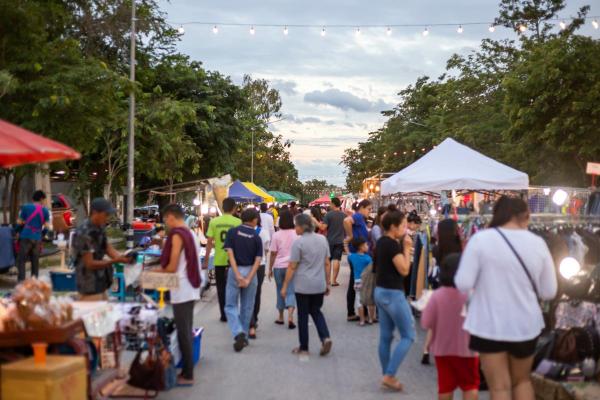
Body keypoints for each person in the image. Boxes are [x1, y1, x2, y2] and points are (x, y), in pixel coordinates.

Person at [455, 196, 557, 400]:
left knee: (500, 387)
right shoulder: (538, 243)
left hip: (488, 323)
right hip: (526, 324)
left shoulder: (481, 240)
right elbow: (549, 292)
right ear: (525, 216)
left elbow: (463, 283)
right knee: (523, 381)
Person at [422, 253, 479, 400]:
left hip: (442, 350)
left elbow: (426, 322)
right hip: (468, 349)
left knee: (445, 387)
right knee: (470, 386)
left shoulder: (436, 296)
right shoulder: (471, 295)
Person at [157, 204, 202, 387]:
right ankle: (186, 369)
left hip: (182, 289)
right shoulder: (190, 233)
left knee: (183, 332)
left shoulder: (177, 235)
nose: (165, 223)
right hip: (190, 287)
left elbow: (172, 267)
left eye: (165, 220)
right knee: (187, 329)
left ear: (170, 217)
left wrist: (152, 273)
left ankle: (188, 374)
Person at [373, 210, 414, 391]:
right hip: (393, 294)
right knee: (408, 335)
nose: (405, 229)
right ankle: (389, 375)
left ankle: (386, 374)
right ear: (393, 226)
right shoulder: (392, 245)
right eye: (403, 225)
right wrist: (406, 248)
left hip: (381, 291)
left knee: (386, 336)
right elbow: (404, 270)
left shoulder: (381, 242)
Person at [281, 213, 332, 357]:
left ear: (302, 226)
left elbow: (292, 266)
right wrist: (328, 283)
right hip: (319, 283)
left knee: (303, 315)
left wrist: (285, 286)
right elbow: (327, 263)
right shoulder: (322, 239)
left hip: (303, 285)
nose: (294, 228)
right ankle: (325, 337)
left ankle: (304, 347)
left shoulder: (299, 243)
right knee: (316, 311)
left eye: (296, 225)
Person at [72, 198, 132, 301]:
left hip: (100, 281)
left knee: (105, 311)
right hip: (88, 283)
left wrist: (122, 258)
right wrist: (115, 261)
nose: (108, 218)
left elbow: (107, 247)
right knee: (91, 314)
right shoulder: (84, 233)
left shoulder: (99, 227)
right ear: (95, 213)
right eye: (106, 214)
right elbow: (89, 263)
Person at [423, 218, 464, 365]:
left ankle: (426, 350)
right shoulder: (459, 247)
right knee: (455, 320)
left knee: (436, 321)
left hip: (439, 285)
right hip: (455, 286)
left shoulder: (436, 249)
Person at [223, 208, 263, 352]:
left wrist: (237, 274)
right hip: (251, 272)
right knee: (247, 306)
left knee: (230, 305)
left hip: (235, 271)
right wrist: (248, 278)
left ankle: (238, 331)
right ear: (254, 220)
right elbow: (258, 260)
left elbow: (230, 254)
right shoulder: (256, 236)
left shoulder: (232, 232)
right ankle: (244, 335)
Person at [204, 197, 241, 322]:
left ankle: (223, 314)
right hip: (234, 261)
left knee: (221, 288)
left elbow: (209, 242)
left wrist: (206, 259)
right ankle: (233, 312)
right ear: (234, 208)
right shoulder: (238, 222)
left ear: (222, 208)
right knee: (233, 287)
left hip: (219, 260)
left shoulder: (214, 222)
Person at [343, 199, 372, 322]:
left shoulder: (361, 219)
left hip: (357, 254)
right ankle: (359, 312)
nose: (369, 212)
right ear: (362, 208)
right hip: (357, 255)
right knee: (359, 282)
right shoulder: (358, 216)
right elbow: (346, 220)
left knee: (355, 283)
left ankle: (354, 312)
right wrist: (350, 236)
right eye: (369, 209)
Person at [268, 210, 297, 329]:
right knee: (291, 290)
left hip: (279, 266)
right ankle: (290, 316)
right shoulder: (296, 234)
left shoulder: (276, 235)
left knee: (280, 290)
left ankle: (280, 317)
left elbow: (273, 253)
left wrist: (270, 268)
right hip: (292, 266)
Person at [15, 190, 51, 281]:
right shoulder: (46, 211)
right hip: (37, 238)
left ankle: (21, 283)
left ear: (33, 199)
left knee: (21, 260)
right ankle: (34, 284)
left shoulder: (26, 207)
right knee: (35, 262)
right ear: (41, 199)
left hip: (26, 236)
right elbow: (47, 227)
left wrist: (16, 231)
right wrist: (41, 235)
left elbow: (19, 223)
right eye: (44, 200)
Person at [249, 216, 271, 339]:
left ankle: (250, 319)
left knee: (247, 293)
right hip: (260, 265)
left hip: (247, 265)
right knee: (257, 292)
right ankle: (254, 318)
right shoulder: (263, 232)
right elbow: (267, 249)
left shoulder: (240, 231)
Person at [347, 237, 376, 326]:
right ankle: (371, 319)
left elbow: (348, 255)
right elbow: (372, 269)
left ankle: (362, 320)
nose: (368, 246)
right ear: (361, 247)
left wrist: (345, 243)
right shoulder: (368, 258)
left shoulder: (352, 257)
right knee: (370, 300)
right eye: (366, 245)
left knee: (359, 301)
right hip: (367, 281)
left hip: (357, 281)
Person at [321, 198, 346, 286]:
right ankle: (334, 281)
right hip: (340, 240)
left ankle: (327, 280)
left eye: (330, 203)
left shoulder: (328, 215)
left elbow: (323, 227)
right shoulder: (344, 215)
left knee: (328, 261)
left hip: (330, 240)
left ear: (333, 204)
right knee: (337, 260)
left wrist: (317, 223)